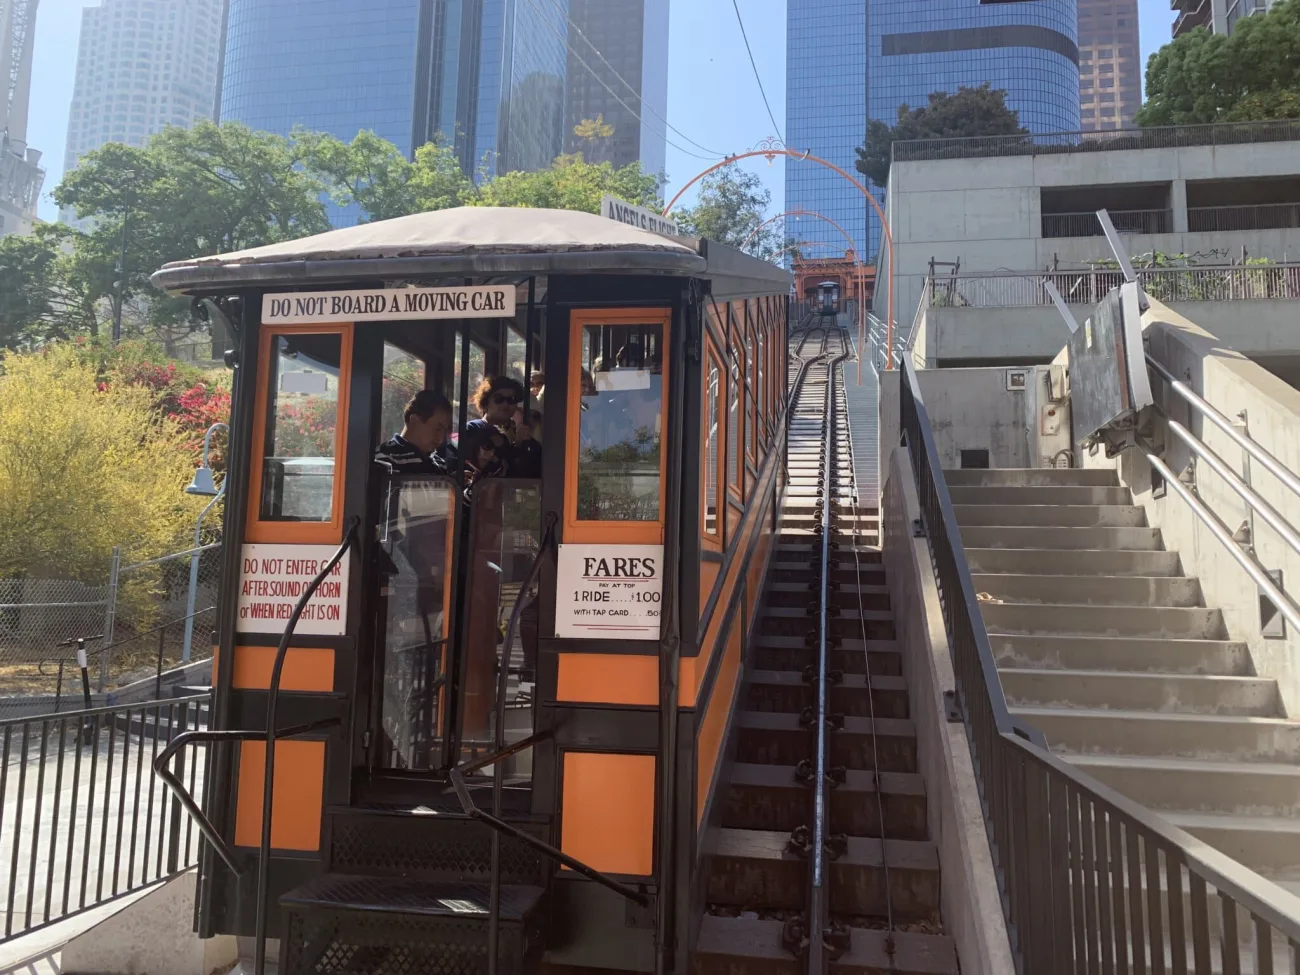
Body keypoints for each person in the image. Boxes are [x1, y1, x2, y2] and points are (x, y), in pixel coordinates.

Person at [375, 391, 456, 474]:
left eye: (444, 431)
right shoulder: (385, 459)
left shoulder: (439, 463)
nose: (441, 438)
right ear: (414, 421)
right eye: (438, 429)